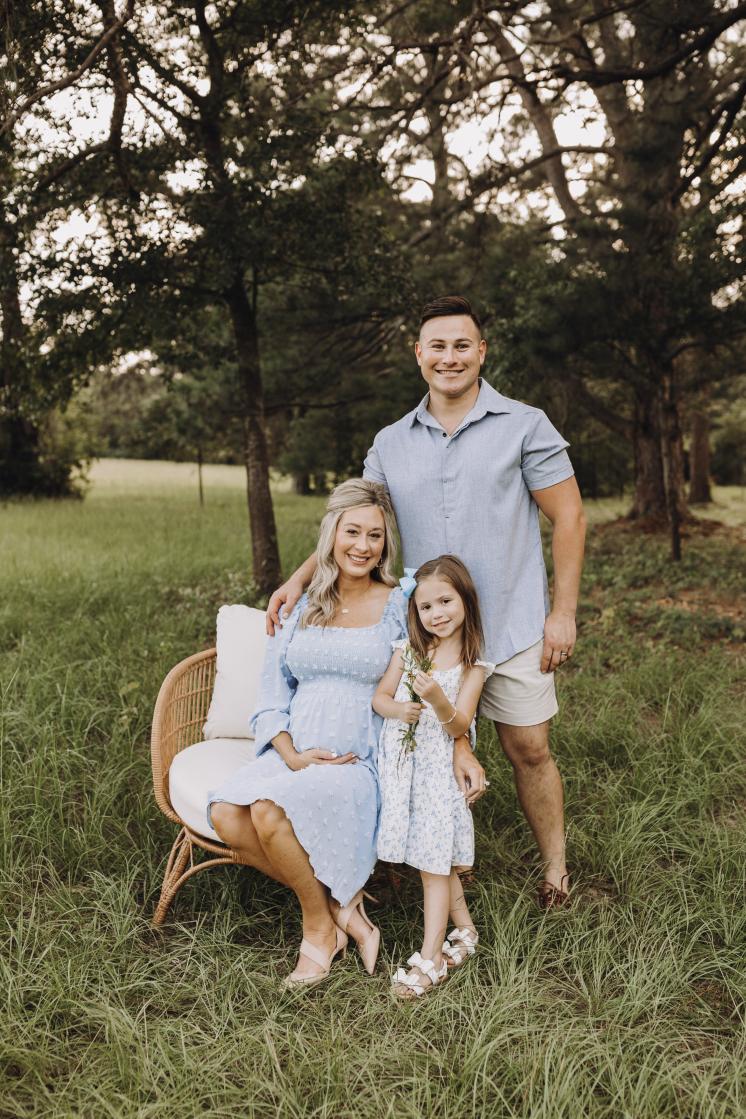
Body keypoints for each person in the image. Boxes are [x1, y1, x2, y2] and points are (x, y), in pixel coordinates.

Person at [267, 295, 586, 907]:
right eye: (436, 346)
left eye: (462, 345)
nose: (450, 357)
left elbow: (569, 516)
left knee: (529, 749)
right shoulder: (390, 443)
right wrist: (299, 579)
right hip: (426, 634)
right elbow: (351, 520)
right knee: (421, 751)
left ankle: (555, 871)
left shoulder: (525, 424)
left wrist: (562, 612)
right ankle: (432, 871)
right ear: (419, 356)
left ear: (481, 352)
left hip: (513, 623)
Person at [207, 479, 408, 987]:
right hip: (296, 754)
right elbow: (272, 695)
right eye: (353, 532)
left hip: (355, 760)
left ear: (388, 544)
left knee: (268, 813)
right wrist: (290, 753)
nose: (363, 546)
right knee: (226, 814)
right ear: (332, 534)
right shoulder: (301, 606)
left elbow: (435, 671)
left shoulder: (400, 604)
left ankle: (318, 930)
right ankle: (344, 912)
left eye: (376, 536)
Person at [373, 555, 493, 999]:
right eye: (426, 607)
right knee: (433, 857)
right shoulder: (409, 651)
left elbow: (460, 726)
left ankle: (431, 958)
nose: (436, 613)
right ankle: (465, 931)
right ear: (415, 612)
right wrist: (399, 708)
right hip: (406, 770)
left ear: (465, 599)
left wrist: (439, 699)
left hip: (439, 773)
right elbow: (380, 698)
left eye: (446, 601)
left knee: (432, 864)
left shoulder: (473, 663)